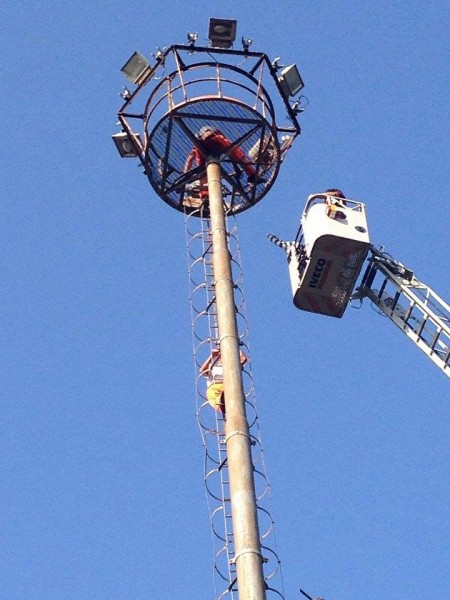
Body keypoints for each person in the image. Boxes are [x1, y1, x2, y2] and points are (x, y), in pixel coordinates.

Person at [183, 126, 264, 204]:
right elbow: (231, 152)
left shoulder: (208, 141)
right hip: (211, 146)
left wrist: (186, 173)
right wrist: (186, 173)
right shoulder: (215, 138)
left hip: (209, 149)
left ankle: (205, 196)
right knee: (235, 152)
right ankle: (252, 174)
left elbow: (191, 157)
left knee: (204, 172)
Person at [199, 347, 247, 415]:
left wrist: (235, 344)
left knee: (233, 395)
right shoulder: (213, 366)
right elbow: (202, 370)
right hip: (214, 389)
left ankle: (229, 402)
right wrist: (211, 356)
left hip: (227, 386)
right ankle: (223, 404)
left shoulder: (231, 366)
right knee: (219, 402)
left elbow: (244, 359)